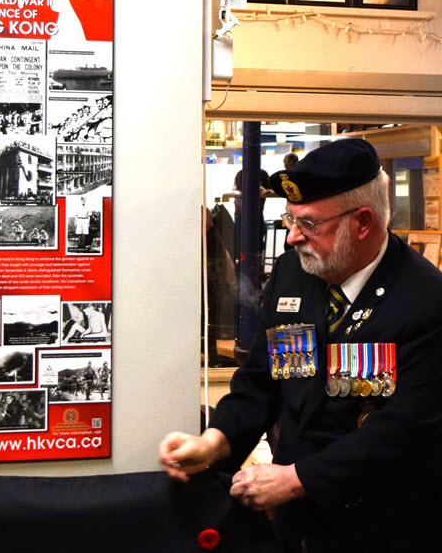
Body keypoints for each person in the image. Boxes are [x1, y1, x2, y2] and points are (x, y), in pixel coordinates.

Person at [159, 138, 442, 551]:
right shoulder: (296, 273)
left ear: (361, 222)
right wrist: (216, 440)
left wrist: (297, 479)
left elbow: (402, 431)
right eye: (289, 219)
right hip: (294, 524)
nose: (292, 238)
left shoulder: (425, 302)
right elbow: (264, 377)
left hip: (383, 526)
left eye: (308, 223)